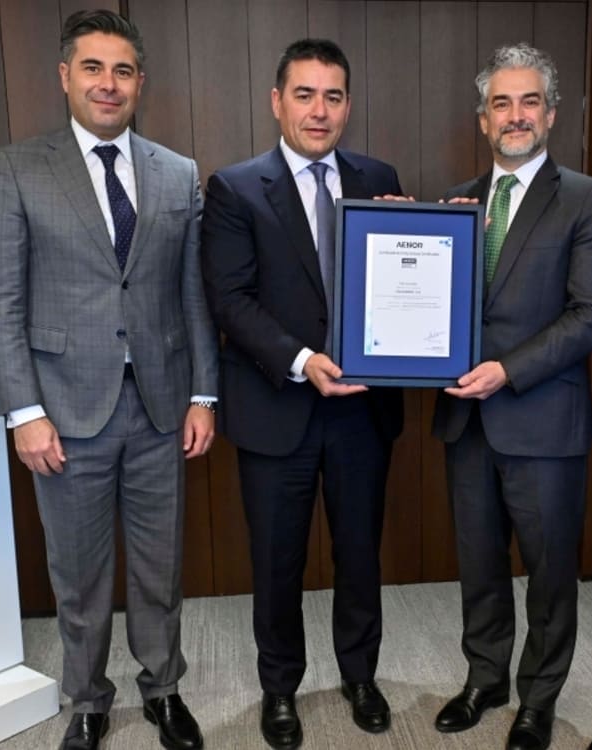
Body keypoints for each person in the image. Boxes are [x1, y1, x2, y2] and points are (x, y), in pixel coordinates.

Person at [0, 10, 216, 750]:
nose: (107, 85)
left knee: (157, 567)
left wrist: (204, 393)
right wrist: (23, 411)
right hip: (63, 411)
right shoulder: (18, 167)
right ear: (65, 77)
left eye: (122, 71)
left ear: (140, 82)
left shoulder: (176, 172)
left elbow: (192, 294)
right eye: (93, 68)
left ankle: (163, 689)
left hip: (159, 408)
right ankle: (86, 700)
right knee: (78, 574)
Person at [199, 38, 404, 750]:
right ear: (277, 101)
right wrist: (302, 358)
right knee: (277, 562)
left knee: (360, 554)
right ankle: (279, 688)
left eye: (335, 95)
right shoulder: (233, 187)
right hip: (277, 408)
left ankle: (359, 676)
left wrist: (415, 235)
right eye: (306, 94)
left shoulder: (379, 177)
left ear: (348, 104)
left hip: (362, 412)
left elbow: (400, 285)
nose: (321, 111)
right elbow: (231, 300)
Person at [431, 43, 592, 750]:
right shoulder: (455, 203)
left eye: (529, 101)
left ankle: (539, 698)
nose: (516, 116)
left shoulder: (587, 198)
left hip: (543, 420)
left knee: (549, 573)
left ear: (552, 113)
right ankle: (486, 679)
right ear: (483, 119)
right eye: (501, 104)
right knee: (477, 563)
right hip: (465, 420)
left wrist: (508, 370)